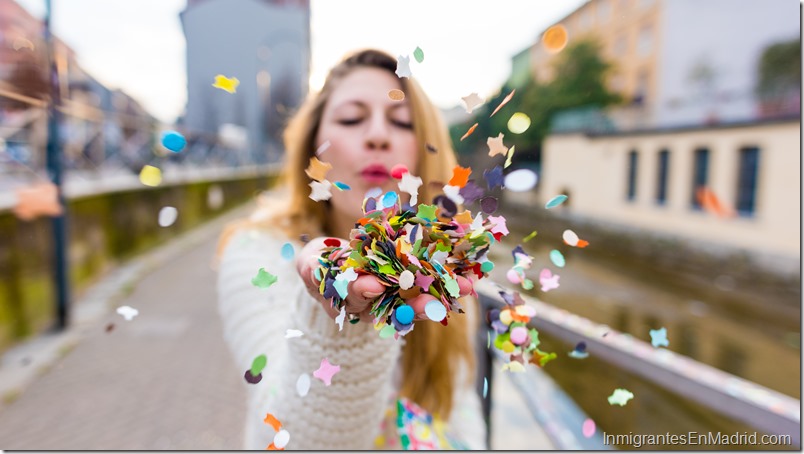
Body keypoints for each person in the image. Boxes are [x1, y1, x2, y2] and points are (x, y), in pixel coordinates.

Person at [216, 49, 486, 450]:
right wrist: (335, 324)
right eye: (351, 118)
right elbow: (282, 438)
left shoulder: (445, 272)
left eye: (402, 122)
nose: (377, 135)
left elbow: (462, 422)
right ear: (313, 147)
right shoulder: (257, 252)